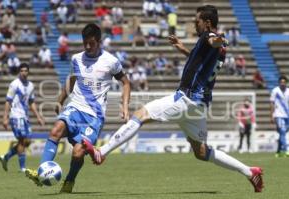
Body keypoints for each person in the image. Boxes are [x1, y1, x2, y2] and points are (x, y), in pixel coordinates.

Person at [83, 5, 264, 193]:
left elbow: (213, 40)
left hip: (186, 98)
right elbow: (201, 61)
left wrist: (219, 38)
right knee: (202, 152)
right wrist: (184, 49)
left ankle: (101, 152)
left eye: (197, 21)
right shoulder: (218, 49)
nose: (195, 25)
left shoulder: (208, 37)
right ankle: (250, 172)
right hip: (199, 105)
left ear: (207, 23)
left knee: (140, 115)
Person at [24, 23, 131, 193]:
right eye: (85, 43)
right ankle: (42, 171)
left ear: (99, 41)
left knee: (78, 152)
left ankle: (69, 180)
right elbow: (72, 80)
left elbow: (125, 83)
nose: (88, 47)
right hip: (76, 106)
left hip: (94, 116)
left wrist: (124, 106)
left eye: (92, 43)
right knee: (55, 131)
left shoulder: (111, 61)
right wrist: (60, 101)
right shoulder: (76, 58)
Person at [0, 63, 45, 172]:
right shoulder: (14, 84)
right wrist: (5, 117)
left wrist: (38, 116)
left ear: (28, 72)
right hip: (15, 115)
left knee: (27, 141)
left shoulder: (30, 86)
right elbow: (8, 101)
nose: (24, 73)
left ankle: (6, 157)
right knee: (22, 140)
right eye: (22, 71)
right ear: (19, 72)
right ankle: (22, 168)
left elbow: (31, 102)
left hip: (25, 116)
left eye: (25, 71)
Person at [270, 75, 289, 157]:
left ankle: (278, 151)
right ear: (279, 83)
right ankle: (286, 150)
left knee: (283, 133)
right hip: (279, 115)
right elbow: (272, 103)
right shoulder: (275, 91)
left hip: (287, 115)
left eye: (284, 82)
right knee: (282, 131)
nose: (282, 84)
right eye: (281, 82)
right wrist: (272, 115)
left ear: (286, 83)